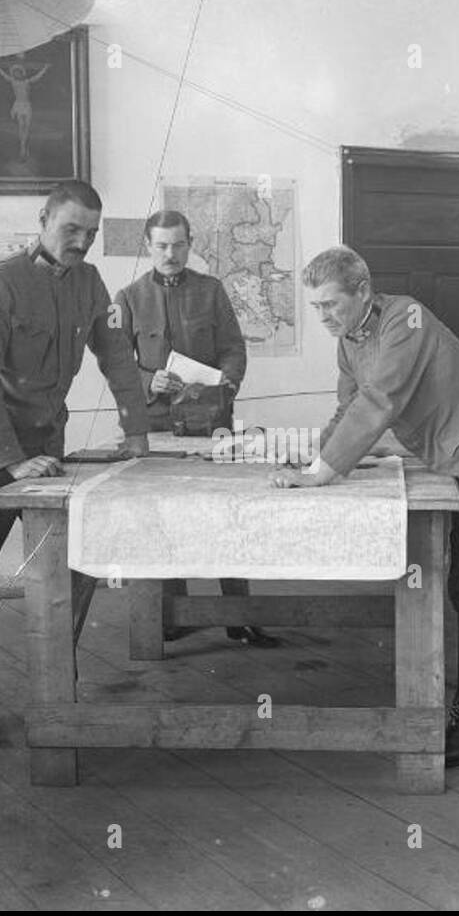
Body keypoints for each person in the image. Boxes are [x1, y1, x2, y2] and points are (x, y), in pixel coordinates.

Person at [270, 245, 459, 767]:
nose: (323, 317)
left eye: (331, 304)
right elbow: (348, 406)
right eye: (315, 308)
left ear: (364, 292)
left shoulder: (406, 317)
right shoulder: (350, 341)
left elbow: (380, 402)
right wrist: (313, 460)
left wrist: (320, 474)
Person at [0, 179, 149, 741]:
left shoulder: (91, 284)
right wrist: (10, 462)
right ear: (43, 219)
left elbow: (119, 359)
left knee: (66, 562)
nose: (81, 242)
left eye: (91, 234)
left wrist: (136, 434)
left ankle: (54, 686)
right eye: (70, 229)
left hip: (46, 444)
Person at [114, 209, 279, 648]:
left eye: (179, 244)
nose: (170, 253)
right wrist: (149, 380)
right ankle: (167, 617)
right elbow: (116, 366)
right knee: (160, 518)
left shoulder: (212, 291)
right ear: (147, 246)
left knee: (230, 513)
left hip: (211, 424)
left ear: (190, 244)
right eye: (162, 245)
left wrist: (228, 380)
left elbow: (233, 348)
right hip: (156, 427)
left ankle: (239, 616)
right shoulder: (128, 298)